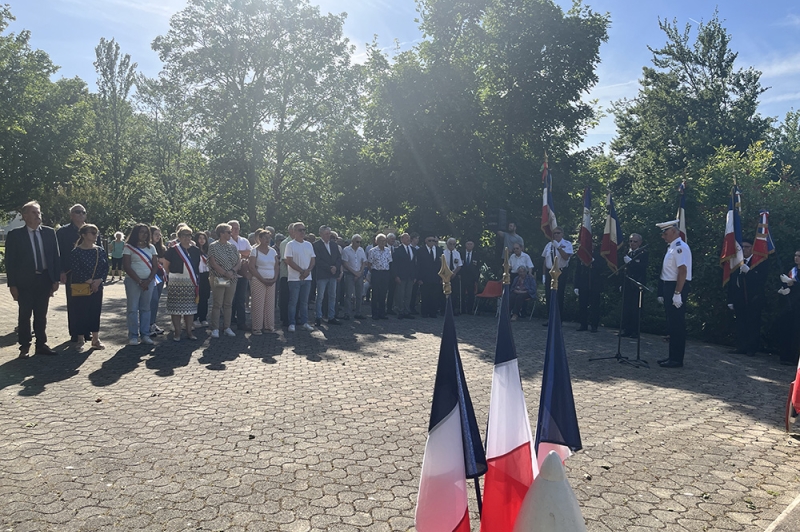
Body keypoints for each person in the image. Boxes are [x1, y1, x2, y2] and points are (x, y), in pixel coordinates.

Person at [6, 200, 60, 357]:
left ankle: (41, 344)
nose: (38, 215)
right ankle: (24, 346)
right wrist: (12, 285)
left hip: (44, 279)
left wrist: (55, 279)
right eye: (34, 212)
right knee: (25, 314)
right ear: (25, 216)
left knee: (41, 313)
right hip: (24, 282)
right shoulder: (15, 235)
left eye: (39, 212)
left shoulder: (49, 233)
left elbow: (55, 258)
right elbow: (10, 262)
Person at [656, 220, 692, 368]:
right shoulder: (671, 248)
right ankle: (672, 356)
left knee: (677, 324)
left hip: (677, 287)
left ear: (674, 231)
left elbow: (682, 271)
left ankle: (677, 359)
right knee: (672, 324)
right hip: (669, 286)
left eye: (665, 233)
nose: (663, 236)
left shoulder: (680, 248)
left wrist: (677, 293)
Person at [68, 224, 109, 351]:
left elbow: (105, 267)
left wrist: (99, 281)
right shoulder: (76, 252)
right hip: (82, 286)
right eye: (92, 233)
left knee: (95, 311)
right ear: (84, 235)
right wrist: (90, 281)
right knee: (81, 311)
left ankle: (95, 339)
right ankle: (80, 339)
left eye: (96, 233)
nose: (95, 235)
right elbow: (76, 269)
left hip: (97, 286)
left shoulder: (100, 250)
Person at [56, 204, 92, 345]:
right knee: (74, 303)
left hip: (90, 274)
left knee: (89, 303)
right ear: (71, 215)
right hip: (72, 273)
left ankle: (88, 331)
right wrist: (61, 271)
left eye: (83, 212)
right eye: (78, 212)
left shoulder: (91, 230)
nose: (81, 214)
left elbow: (99, 250)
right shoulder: (63, 232)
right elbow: (57, 254)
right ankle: (76, 332)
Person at [727, 239, 768, 356]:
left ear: (753, 248)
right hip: (739, 299)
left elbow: (761, 281)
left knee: (753, 324)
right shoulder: (737, 262)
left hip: (753, 299)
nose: (744, 249)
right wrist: (730, 300)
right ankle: (741, 346)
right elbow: (732, 283)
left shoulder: (760, 262)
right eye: (743, 247)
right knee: (740, 323)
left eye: (747, 247)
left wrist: (749, 272)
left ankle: (751, 348)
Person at [164, 224, 202, 341]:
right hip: (176, 281)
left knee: (189, 309)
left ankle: (189, 332)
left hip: (190, 282)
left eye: (189, 235)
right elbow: (166, 266)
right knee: (176, 309)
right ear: (178, 236)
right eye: (184, 235)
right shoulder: (173, 250)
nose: (187, 238)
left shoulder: (195, 250)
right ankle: (177, 332)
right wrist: (173, 275)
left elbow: (197, 266)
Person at [122, 223, 159, 346]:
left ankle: (145, 334)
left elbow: (155, 266)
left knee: (146, 308)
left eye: (146, 232)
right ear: (135, 233)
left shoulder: (151, 248)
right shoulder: (128, 247)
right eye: (141, 232)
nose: (144, 234)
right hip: (133, 281)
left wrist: (148, 280)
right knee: (132, 309)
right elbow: (127, 266)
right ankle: (133, 336)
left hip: (148, 281)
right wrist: (139, 281)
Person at [207, 223, 241, 338]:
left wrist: (232, 272)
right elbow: (213, 263)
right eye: (228, 232)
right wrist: (225, 273)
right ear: (221, 233)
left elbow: (238, 261)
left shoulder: (232, 246)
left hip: (232, 278)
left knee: (228, 304)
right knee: (217, 303)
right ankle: (215, 328)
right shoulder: (213, 246)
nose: (231, 234)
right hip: (218, 277)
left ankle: (227, 327)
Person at [284, 222, 316, 332]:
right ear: (294, 232)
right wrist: (302, 271)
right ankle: (291, 323)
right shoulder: (290, 244)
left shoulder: (309, 244)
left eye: (304, 230)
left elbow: (313, 259)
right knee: (293, 301)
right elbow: (289, 260)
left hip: (307, 278)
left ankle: (305, 322)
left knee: (304, 302)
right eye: (300, 230)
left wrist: (308, 271)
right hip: (294, 278)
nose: (302, 232)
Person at [249, 228, 279, 334]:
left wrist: (275, 278)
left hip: (271, 280)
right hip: (258, 280)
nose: (267, 240)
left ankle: (269, 326)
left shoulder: (273, 251)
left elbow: (276, 266)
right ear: (260, 238)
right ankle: (257, 327)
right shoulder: (255, 250)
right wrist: (262, 279)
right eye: (265, 238)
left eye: (269, 238)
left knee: (270, 304)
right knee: (258, 304)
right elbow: (251, 267)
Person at [542, 227, 573, 323]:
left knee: (559, 295)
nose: (556, 235)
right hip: (549, 271)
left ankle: (558, 319)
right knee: (549, 295)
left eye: (558, 233)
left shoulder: (567, 244)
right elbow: (545, 260)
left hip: (560, 272)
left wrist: (558, 247)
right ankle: (550, 318)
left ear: (562, 234)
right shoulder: (549, 245)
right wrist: (543, 275)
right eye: (554, 233)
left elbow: (565, 257)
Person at [313, 225, 342, 326]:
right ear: (321, 234)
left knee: (332, 296)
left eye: (329, 233)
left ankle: (331, 316)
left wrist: (336, 267)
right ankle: (318, 317)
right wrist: (330, 268)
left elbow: (339, 258)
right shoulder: (316, 245)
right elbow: (317, 260)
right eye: (326, 234)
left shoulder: (334, 245)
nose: (328, 235)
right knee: (320, 296)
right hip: (322, 274)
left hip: (333, 275)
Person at [620, 233, 648, 338]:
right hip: (627, 284)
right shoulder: (627, 253)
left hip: (637, 284)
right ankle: (626, 329)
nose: (632, 243)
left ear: (640, 242)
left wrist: (631, 262)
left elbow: (642, 268)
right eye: (631, 241)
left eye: (635, 241)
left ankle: (635, 331)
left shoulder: (643, 253)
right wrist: (621, 283)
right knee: (626, 308)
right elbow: (623, 270)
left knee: (635, 309)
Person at [778, 251, 800, 365]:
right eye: (795, 255)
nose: (796, 258)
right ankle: (785, 356)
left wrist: (794, 284)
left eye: (799, 256)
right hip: (791, 305)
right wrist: (784, 290)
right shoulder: (793, 270)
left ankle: (794, 358)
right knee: (787, 329)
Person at [228, 220, 251, 331]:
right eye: (233, 228)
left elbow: (250, 253)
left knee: (241, 298)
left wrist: (237, 252)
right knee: (230, 298)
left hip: (243, 274)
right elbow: (229, 255)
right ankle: (230, 319)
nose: (236, 230)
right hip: (230, 274)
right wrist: (242, 253)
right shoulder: (227, 241)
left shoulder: (244, 240)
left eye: (237, 228)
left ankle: (242, 322)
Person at [574, 244, 603, 333]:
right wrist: (576, 286)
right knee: (582, 305)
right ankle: (583, 324)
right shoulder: (581, 255)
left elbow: (601, 269)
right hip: (583, 284)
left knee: (595, 306)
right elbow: (577, 271)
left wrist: (593, 263)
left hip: (594, 285)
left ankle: (594, 325)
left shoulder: (599, 255)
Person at [342, 233, 368, 320]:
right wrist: (354, 272)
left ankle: (358, 312)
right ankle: (347, 313)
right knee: (348, 295)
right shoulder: (346, 250)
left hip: (359, 275)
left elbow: (364, 262)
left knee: (359, 295)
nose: (359, 244)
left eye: (360, 242)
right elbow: (345, 263)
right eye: (357, 242)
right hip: (349, 274)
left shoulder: (361, 250)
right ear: (352, 241)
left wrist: (360, 272)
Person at [391, 233, 417, 319]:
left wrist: (414, 276)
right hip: (401, 276)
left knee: (408, 295)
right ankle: (400, 310)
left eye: (409, 238)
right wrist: (396, 276)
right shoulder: (397, 250)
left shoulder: (413, 250)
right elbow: (394, 264)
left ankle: (407, 311)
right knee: (400, 294)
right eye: (406, 238)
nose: (408, 239)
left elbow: (414, 264)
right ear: (401, 239)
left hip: (410, 276)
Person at [367, 233, 393, 320]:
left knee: (383, 293)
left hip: (385, 273)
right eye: (381, 241)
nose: (383, 242)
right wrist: (374, 272)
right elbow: (369, 264)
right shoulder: (372, 251)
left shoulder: (388, 250)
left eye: (384, 241)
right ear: (376, 241)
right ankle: (374, 313)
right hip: (376, 273)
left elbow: (389, 262)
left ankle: (382, 313)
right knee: (375, 294)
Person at [419, 234, 443, 318]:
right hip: (424, 277)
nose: (432, 242)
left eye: (434, 241)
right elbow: (418, 265)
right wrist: (419, 278)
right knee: (425, 295)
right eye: (430, 240)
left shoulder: (439, 250)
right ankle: (424, 312)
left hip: (436, 277)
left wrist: (441, 277)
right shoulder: (421, 250)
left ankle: (433, 312)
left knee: (435, 295)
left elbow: (442, 265)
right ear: (426, 241)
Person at [148, 226, 167, 337]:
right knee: (152, 300)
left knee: (156, 301)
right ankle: (148, 324)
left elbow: (164, 261)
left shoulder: (162, 248)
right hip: (151, 276)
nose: (158, 236)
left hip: (160, 276)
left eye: (159, 234)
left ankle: (153, 323)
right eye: (155, 234)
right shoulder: (147, 247)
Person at [193, 232, 211, 328]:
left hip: (206, 275)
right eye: (200, 238)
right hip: (197, 275)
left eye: (204, 238)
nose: (202, 240)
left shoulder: (208, 251)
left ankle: (203, 317)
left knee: (205, 297)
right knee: (196, 297)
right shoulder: (193, 250)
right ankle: (194, 318)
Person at [278, 224, 295, 327]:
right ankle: (285, 319)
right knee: (285, 298)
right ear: (291, 231)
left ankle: (293, 317)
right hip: (286, 275)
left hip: (296, 276)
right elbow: (285, 260)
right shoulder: (285, 243)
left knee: (293, 298)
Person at [460, 240, 481, 315]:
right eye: (468, 244)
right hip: (462, 277)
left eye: (471, 244)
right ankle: (462, 309)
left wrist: (476, 278)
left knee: (471, 294)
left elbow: (478, 267)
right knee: (461, 294)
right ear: (465, 245)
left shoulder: (476, 255)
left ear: (473, 245)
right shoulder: (461, 254)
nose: (469, 245)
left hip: (472, 278)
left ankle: (469, 310)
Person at [443, 238, 462, 315]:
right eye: (450, 244)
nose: (452, 246)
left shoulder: (457, 253)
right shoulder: (443, 253)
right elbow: (442, 265)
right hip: (446, 276)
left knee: (455, 293)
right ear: (447, 244)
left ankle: (453, 309)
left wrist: (454, 273)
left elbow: (459, 265)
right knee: (445, 293)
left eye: (453, 244)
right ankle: (443, 310)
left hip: (454, 275)